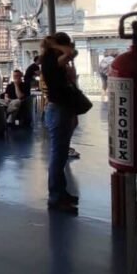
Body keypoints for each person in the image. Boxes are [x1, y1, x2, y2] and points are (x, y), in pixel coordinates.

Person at [41, 32, 81, 213]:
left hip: (62, 109)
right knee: (58, 156)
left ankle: (61, 192)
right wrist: (56, 45)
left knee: (62, 154)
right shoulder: (50, 59)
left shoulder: (55, 60)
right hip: (58, 110)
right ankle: (55, 197)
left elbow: (72, 54)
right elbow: (72, 52)